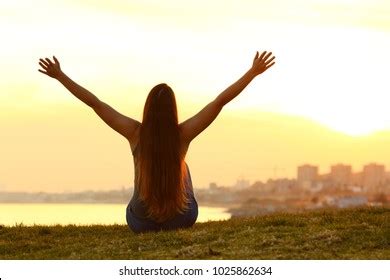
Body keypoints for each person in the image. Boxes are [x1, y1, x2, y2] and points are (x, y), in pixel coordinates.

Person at [38, 51, 275, 233]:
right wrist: (252, 73)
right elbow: (219, 101)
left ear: (147, 109)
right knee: (182, 165)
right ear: (173, 110)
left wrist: (60, 76)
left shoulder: (134, 132)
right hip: (180, 219)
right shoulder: (182, 134)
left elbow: (96, 104)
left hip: (141, 222)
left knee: (171, 168)